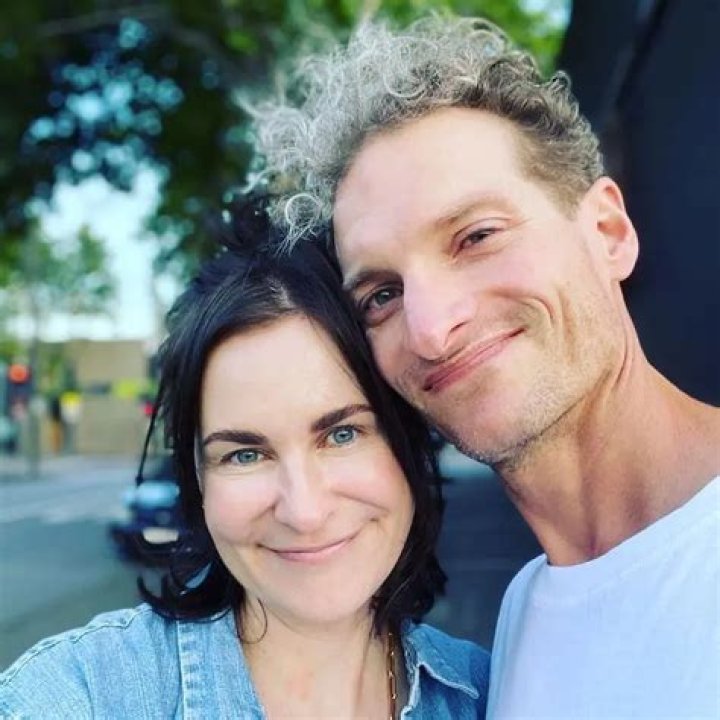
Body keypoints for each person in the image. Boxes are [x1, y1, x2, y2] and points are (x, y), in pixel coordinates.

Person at [253, 16, 720, 718]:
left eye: (476, 237)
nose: (431, 329)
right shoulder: (524, 614)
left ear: (607, 233)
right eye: (381, 295)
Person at [0, 198, 489, 719]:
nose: (304, 512)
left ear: (407, 443)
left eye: (342, 434)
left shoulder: (489, 694)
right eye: (245, 455)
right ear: (198, 480)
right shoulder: (83, 695)